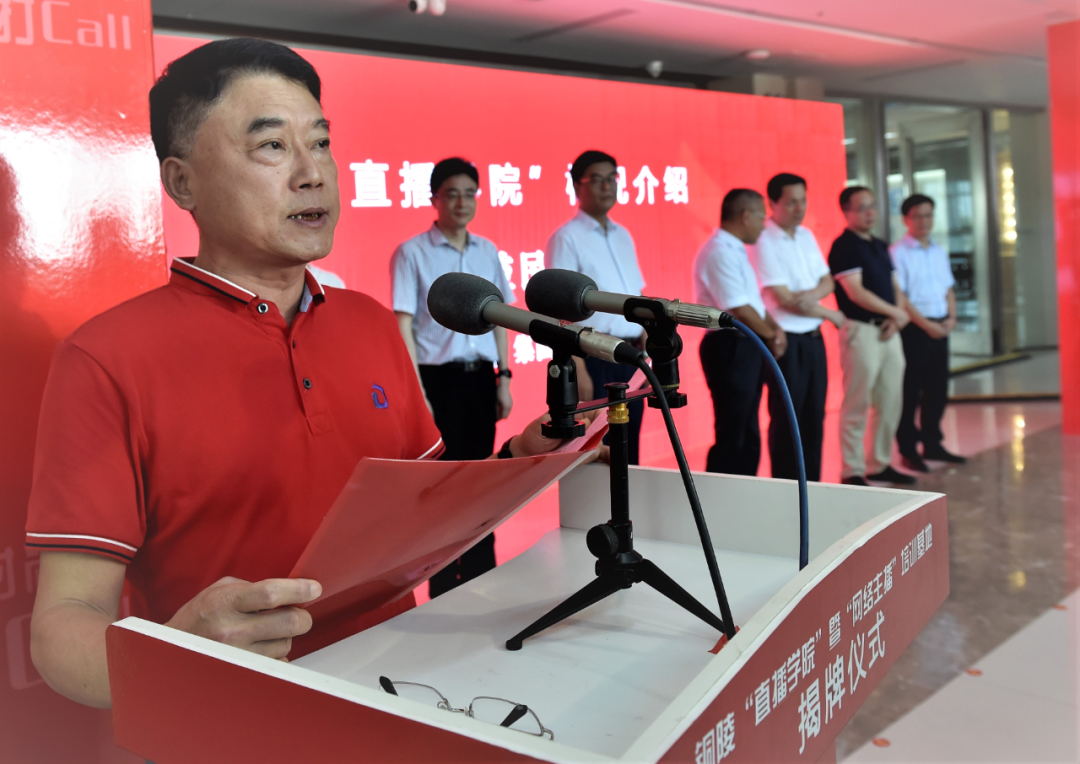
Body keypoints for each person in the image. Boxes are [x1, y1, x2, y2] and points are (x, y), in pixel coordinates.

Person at [26, 38, 582, 710]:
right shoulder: (105, 358)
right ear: (182, 183)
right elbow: (61, 628)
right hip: (234, 718)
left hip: (406, 694)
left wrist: (520, 460)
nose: (312, 172)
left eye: (320, 143)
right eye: (272, 146)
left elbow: (423, 516)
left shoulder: (369, 322)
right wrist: (175, 656)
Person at [391, 158, 515, 597]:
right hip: (437, 383)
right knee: (443, 488)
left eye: (469, 193)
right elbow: (404, 324)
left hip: (481, 380)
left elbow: (501, 318)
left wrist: (505, 377)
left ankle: (483, 578)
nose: (462, 202)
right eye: (452, 194)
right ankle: (444, 587)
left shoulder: (487, 251)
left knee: (481, 483)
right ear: (434, 199)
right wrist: (418, 392)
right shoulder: (412, 252)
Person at [548, 150, 647, 463]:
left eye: (612, 179)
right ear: (577, 186)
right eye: (597, 180)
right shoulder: (567, 238)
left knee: (628, 450)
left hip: (630, 356)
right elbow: (558, 308)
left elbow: (636, 294)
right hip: (594, 357)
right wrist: (577, 365)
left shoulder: (623, 235)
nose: (607, 186)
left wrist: (647, 346)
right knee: (597, 453)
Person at [754, 173, 846, 482]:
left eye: (802, 201)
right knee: (787, 421)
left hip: (813, 339)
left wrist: (810, 299)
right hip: (785, 341)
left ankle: (812, 487)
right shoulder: (763, 240)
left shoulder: (805, 235)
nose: (799, 208)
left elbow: (828, 281)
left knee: (814, 418)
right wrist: (829, 314)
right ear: (772, 203)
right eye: (791, 202)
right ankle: (787, 489)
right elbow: (784, 299)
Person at [694, 188, 786, 476]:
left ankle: (746, 488)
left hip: (745, 345)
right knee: (733, 429)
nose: (763, 225)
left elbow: (753, 303)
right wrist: (771, 336)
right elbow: (739, 309)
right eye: (762, 217)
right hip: (729, 346)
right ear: (746, 216)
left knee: (747, 428)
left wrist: (775, 328)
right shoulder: (719, 251)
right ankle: (720, 495)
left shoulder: (734, 249)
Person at [828, 186, 915, 486]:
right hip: (861, 330)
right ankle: (852, 470)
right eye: (862, 207)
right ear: (846, 211)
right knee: (858, 401)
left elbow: (895, 287)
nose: (870, 212)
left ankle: (879, 463)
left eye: (872, 206)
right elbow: (856, 292)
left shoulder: (879, 245)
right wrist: (897, 314)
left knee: (891, 400)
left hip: (889, 331)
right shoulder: (843, 246)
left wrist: (897, 316)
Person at [891, 194, 967, 471]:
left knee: (938, 388)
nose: (924, 221)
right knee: (910, 391)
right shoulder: (897, 252)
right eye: (918, 216)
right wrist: (926, 325)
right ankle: (908, 449)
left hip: (941, 324)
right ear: (906, 219)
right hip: (914, 328)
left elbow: (948, 289)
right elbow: (901, 297)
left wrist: (952, 318)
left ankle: (933, 443)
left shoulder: (938, 251)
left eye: (929, 215)